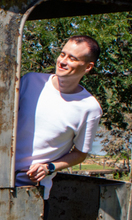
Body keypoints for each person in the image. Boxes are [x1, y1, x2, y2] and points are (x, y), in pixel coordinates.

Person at [14, 36, 103, 200]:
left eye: (72, 58)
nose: (63, 61)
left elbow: (80, 153)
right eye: (63, 54)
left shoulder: (89, 108)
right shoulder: (30, 81)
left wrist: (49, 167)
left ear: (88, 66)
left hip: (31, 192)